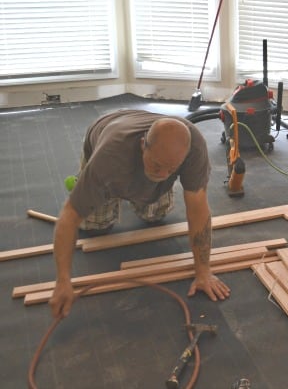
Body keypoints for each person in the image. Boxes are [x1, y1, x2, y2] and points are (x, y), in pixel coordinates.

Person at [49, 110, 230, 318]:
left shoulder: (194, 148)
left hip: (136, 159)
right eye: (157, 165)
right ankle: (89, 183)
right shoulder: (109, 156)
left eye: (171, 170)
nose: (162, 174)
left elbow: (198, 207)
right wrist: (62, 280)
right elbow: (70, 215)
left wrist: (203, 271)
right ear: (143, 143)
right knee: (96, 227)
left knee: (155, 216)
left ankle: (139, 186)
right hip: (107, 143)